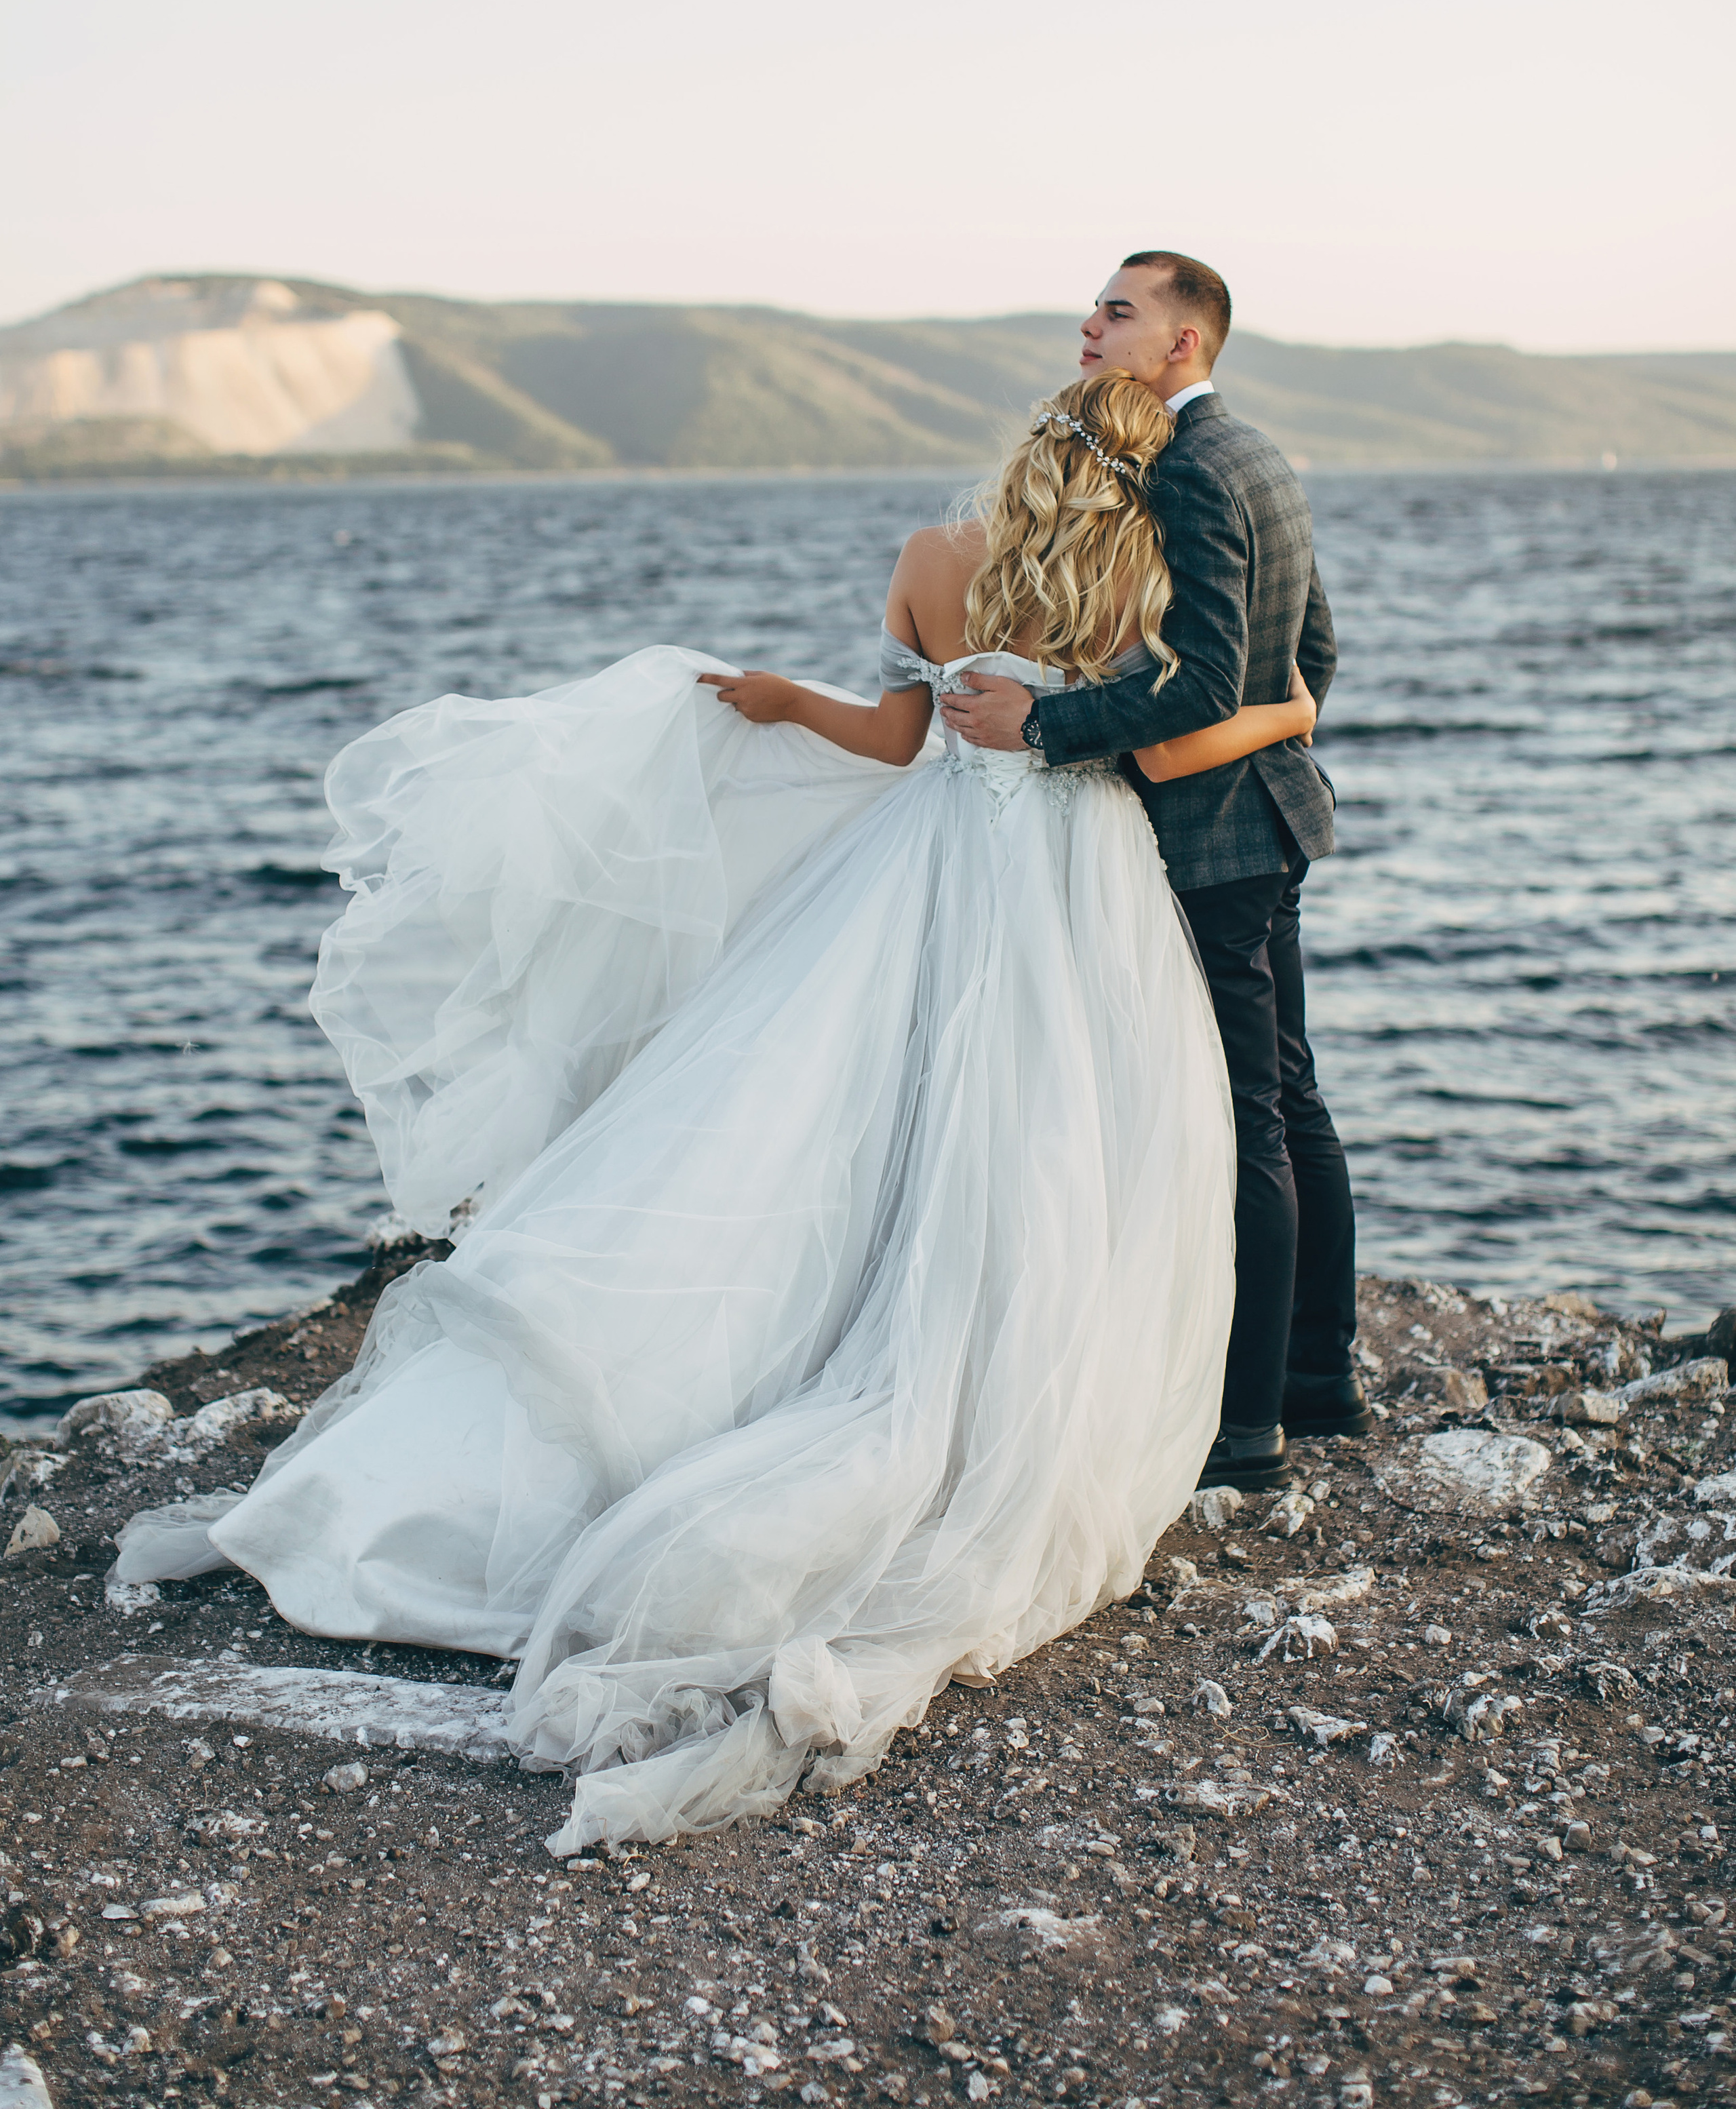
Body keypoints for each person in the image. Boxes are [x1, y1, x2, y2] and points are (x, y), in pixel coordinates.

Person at [115, 372, 1315, 1848]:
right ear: (1130, 479)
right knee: (1056, 1135)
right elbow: (1140, 737)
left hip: (928, 865)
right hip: (1078, 887)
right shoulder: (1134, 579)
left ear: (1012, 460)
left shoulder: (931, 566)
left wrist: (770, 699)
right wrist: (1275, 702)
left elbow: (891, 748)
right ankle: (1018, 1370)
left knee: (855, 1109)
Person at [939, 254, 1361, 1496]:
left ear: (1183, 342)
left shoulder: (1180, 468)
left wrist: (1040, 726)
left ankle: (1245, 1430)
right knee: (1291, 1097)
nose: (1090, 323)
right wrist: (1290, 725)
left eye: (1118, 311)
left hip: (1212, 836)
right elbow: (1312, 656)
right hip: (1275, 818)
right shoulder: (1262, 454)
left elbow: (1202, 681)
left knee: (1241, 1122)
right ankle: (1318, 1376)